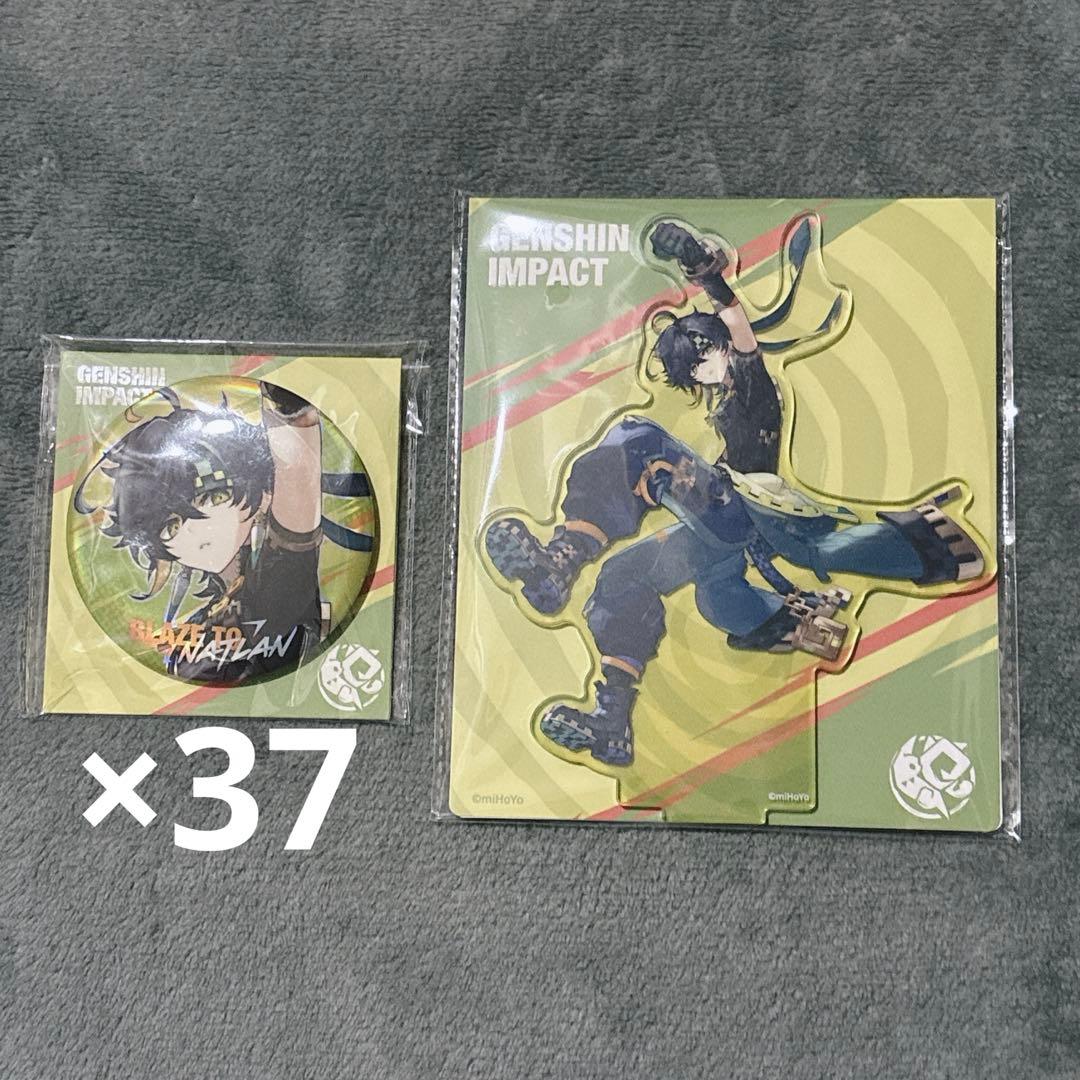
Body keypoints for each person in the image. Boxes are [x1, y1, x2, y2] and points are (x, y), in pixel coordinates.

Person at [484, 221, 985, 767]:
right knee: (622, 579)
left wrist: (701, 268)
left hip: (746, 506)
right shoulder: (720, 399)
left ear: (720, 346)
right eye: (690, 366)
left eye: (703, 354)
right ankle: (612, 721)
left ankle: (562, 559)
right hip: (725, 528)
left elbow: (737, 324)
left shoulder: (752, 383)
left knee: (639, 440)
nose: (701, 369)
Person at [75, 381, 372, 683]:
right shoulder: (198, 624)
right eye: (171, 526)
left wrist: (287, 407)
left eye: (214, 498)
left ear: (264, 494)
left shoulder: (278, 573)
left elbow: (296, 485)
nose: (195, 532)